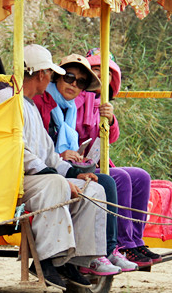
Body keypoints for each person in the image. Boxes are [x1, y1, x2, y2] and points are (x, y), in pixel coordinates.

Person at [0, 44, 108, 290]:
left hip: (34, 178)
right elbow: (14, 150)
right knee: (54, 184)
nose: (52, 78)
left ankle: (71, 261)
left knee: (93, 190)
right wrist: (58, 178)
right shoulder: (7, 99)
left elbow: (48, 154)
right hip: (10, 179)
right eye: (51, 73)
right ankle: (46, 259)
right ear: (42, 73)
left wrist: (74, 173)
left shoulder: (30, 105)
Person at [32, 53, 133, 275]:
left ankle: (114, 248)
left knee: (113, 179)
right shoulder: (42, 102)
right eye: (69, 78)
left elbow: (107, 137)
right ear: (56, 77)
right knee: (106, 182)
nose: (74, 85)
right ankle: (102, 251)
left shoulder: (69, 107)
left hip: (65, 164)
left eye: (81, 82)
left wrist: (110, 121)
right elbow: (38, 146)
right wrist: (62, 156)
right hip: (43, 170)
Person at [80, 48, 161, 267]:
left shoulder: (101, 102)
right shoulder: (77, 98)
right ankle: (123, 243)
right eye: (95, 69)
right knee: (120, 178)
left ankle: (135, 240)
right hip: (80, 164)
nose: (99, 75)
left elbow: (112, 138)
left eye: (105, 72)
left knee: (141, 176)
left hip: (97, 161)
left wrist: (110, 119)